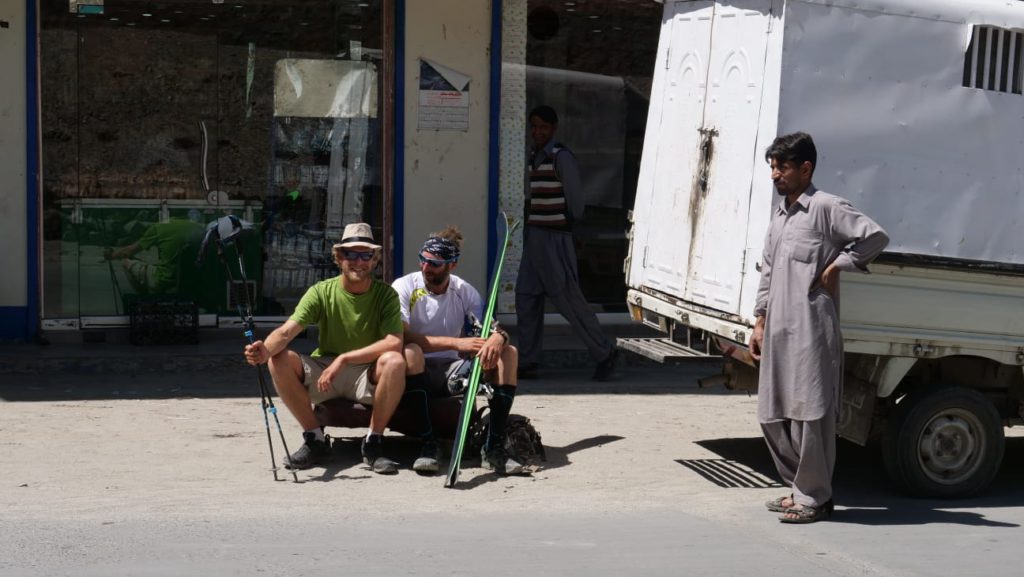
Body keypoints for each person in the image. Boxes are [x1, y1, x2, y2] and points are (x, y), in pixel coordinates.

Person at [748, 132, 889, 523]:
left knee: (811, 414)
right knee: (771, 413)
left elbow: (875, 237)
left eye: (782, 167)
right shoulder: (780, 216)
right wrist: (759, 321)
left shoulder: (826, 207)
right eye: (772, 167)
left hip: (812, 328)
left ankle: (814, 497)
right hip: (777, 329)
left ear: (805, 168)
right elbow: (768, 270)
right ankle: (800, 488)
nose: (775, 174)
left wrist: (837, 266)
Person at [244, 222, 407, 475]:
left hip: (367, 373)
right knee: (278, 359)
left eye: (366, 255)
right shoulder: (321, 292)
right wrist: (264, 350)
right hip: (325, 371)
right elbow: (287, 331)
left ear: (375, 260)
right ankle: (315, 439)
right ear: (339, 257)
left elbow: (394, 342)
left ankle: (374, 442)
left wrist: (344, 359)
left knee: (395, 361)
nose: (359, 262)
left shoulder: (386, 295)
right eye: (351, 254)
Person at [393, 227, 527, 475]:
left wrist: (498, 338)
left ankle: (494, 447)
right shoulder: (404, 286)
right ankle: (428, 445)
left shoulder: (464, 290)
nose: (425, 267)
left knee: (509, 353)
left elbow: (489, 327)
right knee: (411, 351)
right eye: (422, 259)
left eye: (434, 264)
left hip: (452, 371)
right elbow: (401, 336)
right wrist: (456, 344)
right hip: (412, 369)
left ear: (452, 265)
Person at [515, 105, 617, 381]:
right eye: (534, 126)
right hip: (535, 239)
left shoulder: (561, 157)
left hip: (554, 239)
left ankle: (604, 353)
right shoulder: (534, 156)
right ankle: (528, 361)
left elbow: (576, 204)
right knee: (526, 298)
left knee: (569, 301)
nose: (537, 131)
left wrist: (568, 230)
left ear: (553, 129)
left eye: (543, 127)